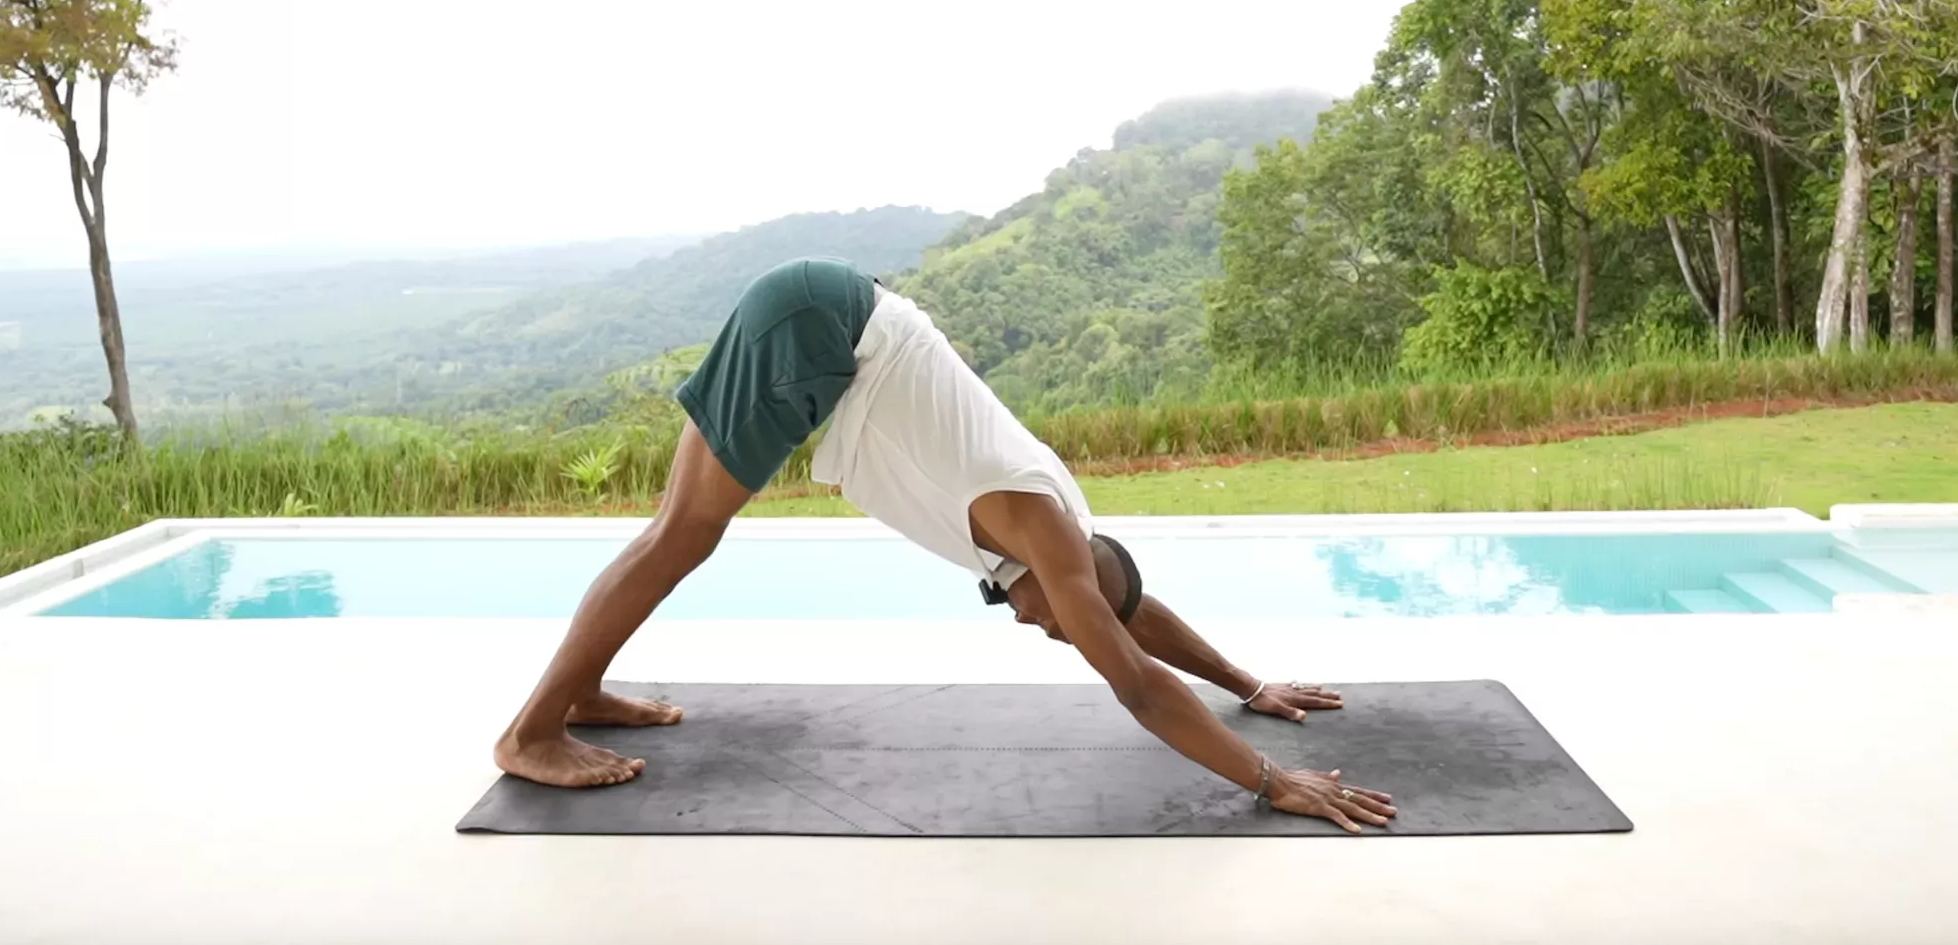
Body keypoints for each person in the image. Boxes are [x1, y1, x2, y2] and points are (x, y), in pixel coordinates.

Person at [494, 256, 1395, 832]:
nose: (1043, 628)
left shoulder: (1059, 548)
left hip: (824, 316)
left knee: (677, 531)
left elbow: (1133, 613)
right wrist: (1271, 779)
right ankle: (533, 732)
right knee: (683, 535)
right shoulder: (1046, 533)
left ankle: (579, 695)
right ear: (1068, 577)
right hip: (825, 334)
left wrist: (1248, 684)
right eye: (1056, 624)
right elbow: (1131, 674)